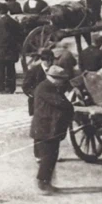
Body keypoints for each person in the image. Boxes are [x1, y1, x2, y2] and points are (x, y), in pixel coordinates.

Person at [30, 62, 75, 193]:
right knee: (49, 157)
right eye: (61, 80)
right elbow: (62, 103)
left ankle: (45, 182)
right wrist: (70, 107)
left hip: (48, 127)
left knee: (49, 157)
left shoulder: (49, 86)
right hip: (46, 128)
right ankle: (43, 184)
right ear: (55, 78)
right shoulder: (45, 88)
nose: (62, 83)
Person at [0, 4, 22, 94]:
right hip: (10, 49)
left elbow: (2, 36)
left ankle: (1, 88)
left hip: (3, 48)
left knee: (0, 69)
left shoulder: (1, 22)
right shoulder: (12, 21)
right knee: (10, 69)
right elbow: (19, 33)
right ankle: (10, 88)